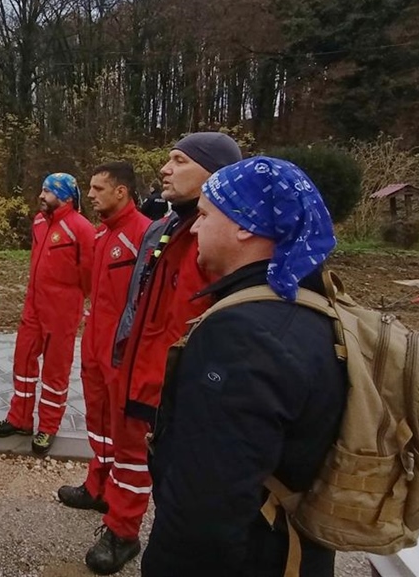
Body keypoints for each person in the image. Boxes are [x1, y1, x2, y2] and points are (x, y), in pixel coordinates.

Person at [141, 156, 345, 577]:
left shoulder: (243, 335)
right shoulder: (311, 305)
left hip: (252, 556)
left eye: (204, 215)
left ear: (245, 225)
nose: (195, 227)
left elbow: (207, 509)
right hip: (295, 546)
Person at [85, 131, 242, 575]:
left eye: (179, 161)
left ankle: (143, 537)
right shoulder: (169, 227)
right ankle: (120, 527)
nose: (165, 169)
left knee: (171, 475)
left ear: (214, 174)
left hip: (174, 381)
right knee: (128, 455)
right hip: (137, 366)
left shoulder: (215, 238)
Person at [57, 162, 151, 513]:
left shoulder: (143, 233)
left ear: (121, 192)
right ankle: (96, 486)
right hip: (95, 347)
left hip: (122, 352)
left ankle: (122, 509)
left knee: (126, 432)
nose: (91, 195)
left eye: (98, 189)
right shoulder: (100, 235)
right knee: (97, 422)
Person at [0, 173, 95, 455]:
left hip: (62, 310)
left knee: (55, 370)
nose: (42, 195)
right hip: (33, 305)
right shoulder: (38, 221)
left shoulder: (82, 228)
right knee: (23, 361)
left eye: (48, 191)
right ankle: (19, 418)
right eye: (42, 190)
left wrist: (72, 298)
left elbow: (89, 274)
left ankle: (48, 426)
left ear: (65, 197)